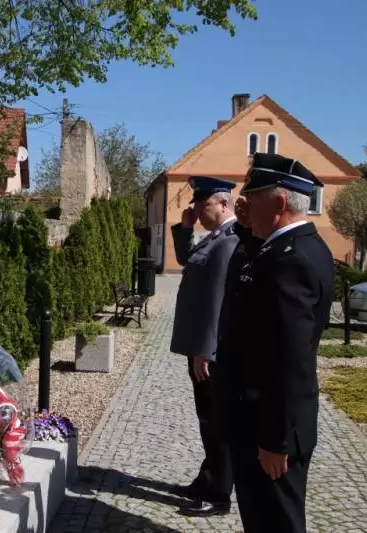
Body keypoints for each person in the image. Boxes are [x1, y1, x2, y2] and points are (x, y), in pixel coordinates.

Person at [216, 153, 334, 533]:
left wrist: (275, 440)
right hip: (258, 421)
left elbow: (291, 358)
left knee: (276, 523)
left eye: (254, 198)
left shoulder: (292, 260)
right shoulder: (288, 247)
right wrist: (246, 226)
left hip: (269, 429)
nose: (245, 205)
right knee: (261, 520)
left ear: (280, 203)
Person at [170, 176, 239, 516]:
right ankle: (207, 478)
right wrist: (186, 227)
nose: (198, 210)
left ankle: (219, 494)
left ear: (224, 203)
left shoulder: (229, 240)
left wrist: (205, 350)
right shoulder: (214, 238)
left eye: (203, 204)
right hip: (201, 347)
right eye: (196, 205)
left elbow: (217, 301)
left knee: (216, 422)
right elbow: (188, 259)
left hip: (211, 352)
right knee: (207, 418)